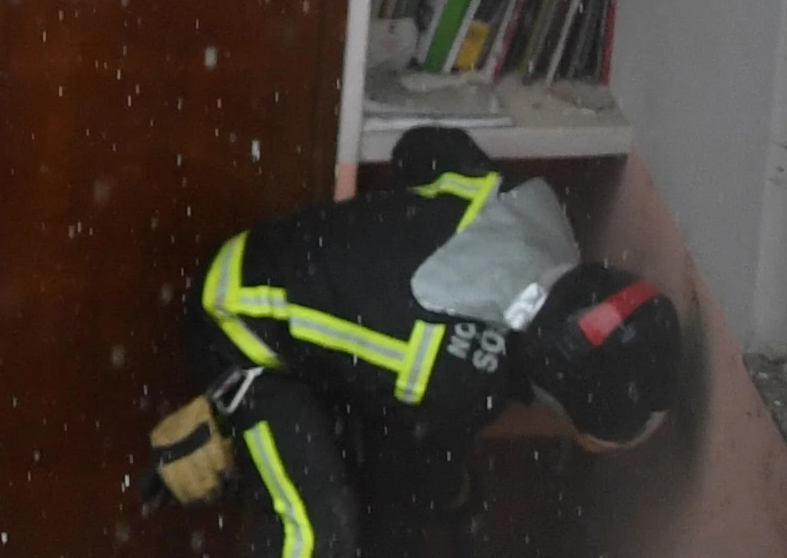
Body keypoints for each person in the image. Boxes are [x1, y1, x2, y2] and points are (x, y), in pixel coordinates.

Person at [151, 124, 686, 557]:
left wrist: (392, 243)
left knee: (366, 432)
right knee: (317, 536)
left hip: (265, 259)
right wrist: (436, 493)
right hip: (240, 329)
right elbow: (394, 501)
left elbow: (424, 150)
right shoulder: (458, 382)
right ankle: (230, 412)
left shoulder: (527, 210)